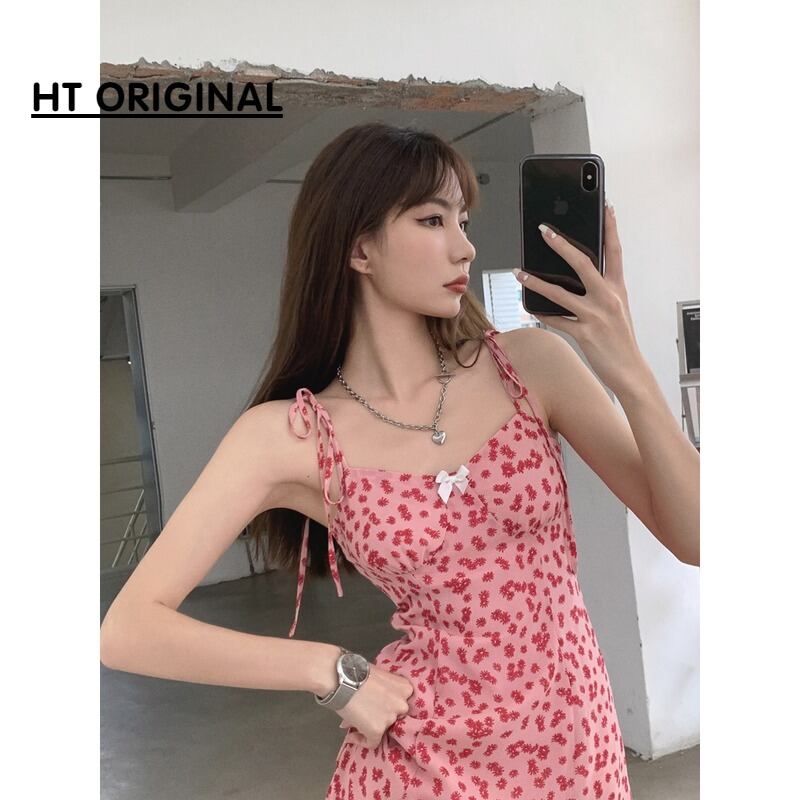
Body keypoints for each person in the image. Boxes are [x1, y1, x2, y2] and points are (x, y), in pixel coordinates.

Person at [100, 122, 699, 799]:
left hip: (574, 746)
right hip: (422, 765)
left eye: (463, 220)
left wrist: (629, 369)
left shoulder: (530, 366)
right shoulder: (292, 435)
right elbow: (128, 629)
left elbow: (699, 538)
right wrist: (327, 670)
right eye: (432, 220)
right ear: (360, 248)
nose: (465, 246)